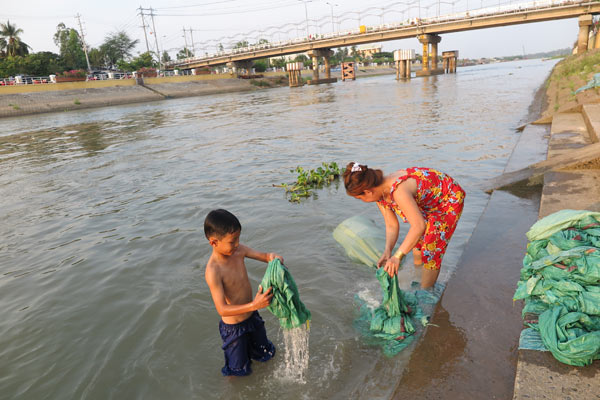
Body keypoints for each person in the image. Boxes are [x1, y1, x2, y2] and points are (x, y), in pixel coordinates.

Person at [343, 163, 465, 288]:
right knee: (417, 245)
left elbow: (418, 226)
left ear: (368, 191)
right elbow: (391, 225)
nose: (362, 201)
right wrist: (388, 251)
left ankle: (427, 291)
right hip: (427, 201)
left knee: (431, 250)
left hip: (448, 198)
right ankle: (418, 278)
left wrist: (397, 257)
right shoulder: (380, 194)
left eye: (360, 198)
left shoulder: (398, 191)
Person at [204, 209, 282, 376]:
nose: (237, 244)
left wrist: (274, 257)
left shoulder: (239, 251)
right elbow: (222, 309)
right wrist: (255, 304)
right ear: (214, 242)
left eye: (238, 238)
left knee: (267, 355)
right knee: (237, 372)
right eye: (232, 241)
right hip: (233, 329)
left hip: (252, 319)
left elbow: (265, 256)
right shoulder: (213, 271)